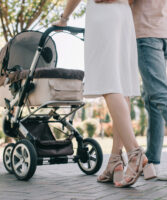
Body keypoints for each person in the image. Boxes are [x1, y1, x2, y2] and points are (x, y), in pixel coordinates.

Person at [52, 0, 156, 188]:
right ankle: (115, 160)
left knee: (108, 82)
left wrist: (64, 18)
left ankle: (135, 153)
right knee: (120, 85)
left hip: (103, 15)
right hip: (124, 15)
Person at [97, 0, 167, 181]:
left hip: (146, 31)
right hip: (164, 32)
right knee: (152, 98)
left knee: (160, 93)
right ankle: (152, 161)